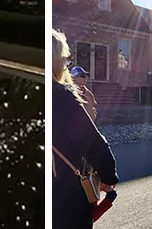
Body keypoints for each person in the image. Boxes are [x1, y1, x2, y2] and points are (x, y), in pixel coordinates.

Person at [51, 31, 118, 229]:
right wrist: (108, 176)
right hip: (63, 196)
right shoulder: (61, 97)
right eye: (65, 59)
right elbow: (91, 141)